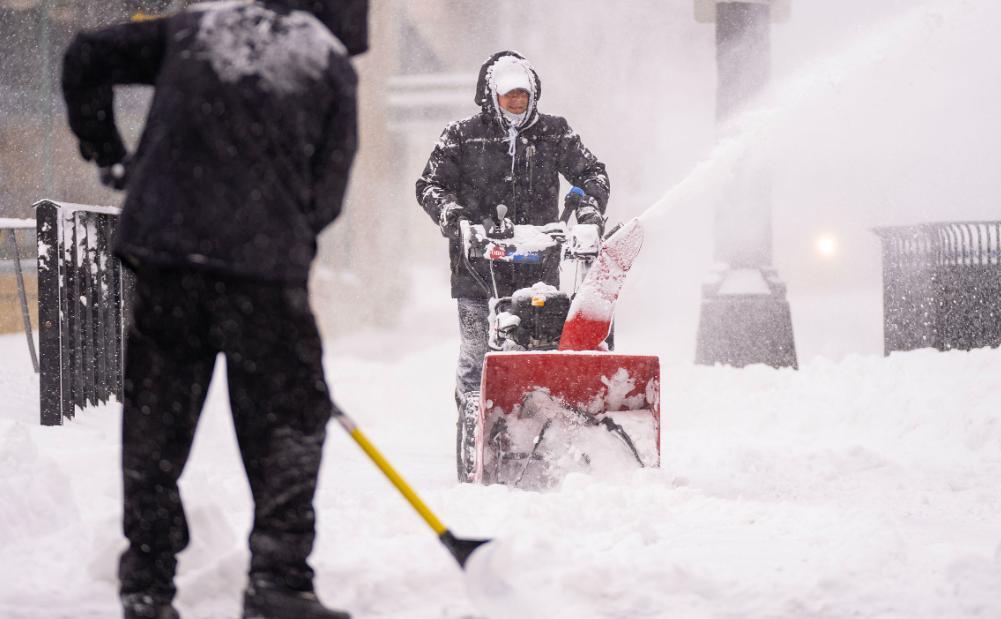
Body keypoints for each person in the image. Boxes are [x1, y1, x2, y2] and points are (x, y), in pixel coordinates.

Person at [60, 2, 367, 618]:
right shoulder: (326, 62)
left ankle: (146, 584)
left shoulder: (197, 30)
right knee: (289, 422)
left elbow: (86, 55)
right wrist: (279, 228)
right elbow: (328, 189)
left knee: (157, 423)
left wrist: (109, 153)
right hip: (261, 277)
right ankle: (279, 584)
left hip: (169, 261)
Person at [415, 50, 610, 482]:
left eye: (523, 96)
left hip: (538, 268)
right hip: (476, 269)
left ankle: (546, 430)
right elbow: (429, 185)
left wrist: (588, 210)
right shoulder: (461, 137)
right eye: (509, 97)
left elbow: (592, 172)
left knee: (543, 348)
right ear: (492, 96)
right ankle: (474, 434)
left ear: (534, 94)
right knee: (476, 351)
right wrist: (457, 217)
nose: (517, 104)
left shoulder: (555, 134)